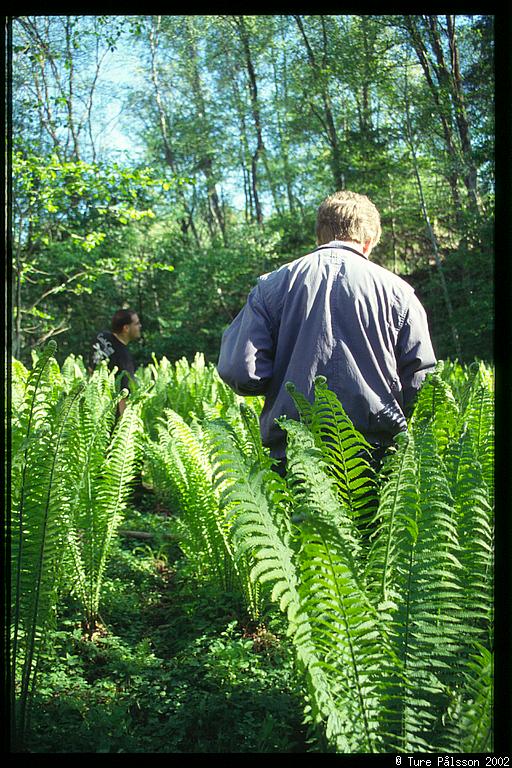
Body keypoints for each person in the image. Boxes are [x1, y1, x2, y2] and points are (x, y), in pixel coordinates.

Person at [217, 190, 437, 474]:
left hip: (294, 455)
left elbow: (241, 371)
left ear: (319, 236)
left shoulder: (271, 287)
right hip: (376, 461)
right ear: (368, 242)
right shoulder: (400, 294)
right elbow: (422, 385)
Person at [89, 308, 142, 416]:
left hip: (92, 405)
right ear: (126, 328)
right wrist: (123, 428)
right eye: (136, 324)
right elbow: (123, 396)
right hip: (109, 418)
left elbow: (90, 368)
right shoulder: (124, 359)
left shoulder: (101, 337)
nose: (140, 326)